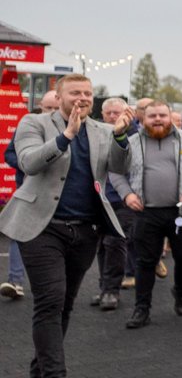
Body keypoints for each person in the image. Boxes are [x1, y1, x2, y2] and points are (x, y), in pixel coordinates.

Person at [0, 74, 134, 378]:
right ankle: (54, 373)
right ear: (58, 97)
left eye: (88, 93)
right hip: (41, 227)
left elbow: (121, 167)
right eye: (75, 93)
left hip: (85, 230)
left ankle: (40, 368)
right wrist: (66, 136)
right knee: (50, 300)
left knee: (65, 305)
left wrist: (121, 137)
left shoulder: (102, 129)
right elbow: (29, 163)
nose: (83, 98)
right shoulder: (33, 124)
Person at [110, 99, 182, 328]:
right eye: (152, 116)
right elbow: (115, 172)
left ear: (170, 116)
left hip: (181, 212)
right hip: (146, 212)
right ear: (142, 118)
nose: (158, 119)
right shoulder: (130, 143)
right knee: (145, 262)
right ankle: (142, 308)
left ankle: (180, 291)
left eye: (162, 115)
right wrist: (128, 195)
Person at [1, 89, 58, 301]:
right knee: (18, 233)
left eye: (55, 107)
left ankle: (51, 285)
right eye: (48, 107)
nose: (51, 111)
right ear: (40, 106)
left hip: (55, 194)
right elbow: (10, 154)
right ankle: (15, 282)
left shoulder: (71, 129)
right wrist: (27, 165)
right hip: (27, 189)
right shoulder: (28, 124)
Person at [91, 98, 138, 311]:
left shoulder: (135, 136)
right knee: (101, 245)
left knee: (115, 243)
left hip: (123, 198)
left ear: (126, 112)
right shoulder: (97, 132)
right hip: (99, 198)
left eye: (116, 112)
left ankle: (112, 290)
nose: (111, 116)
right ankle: (104, 287)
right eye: (108, 112)